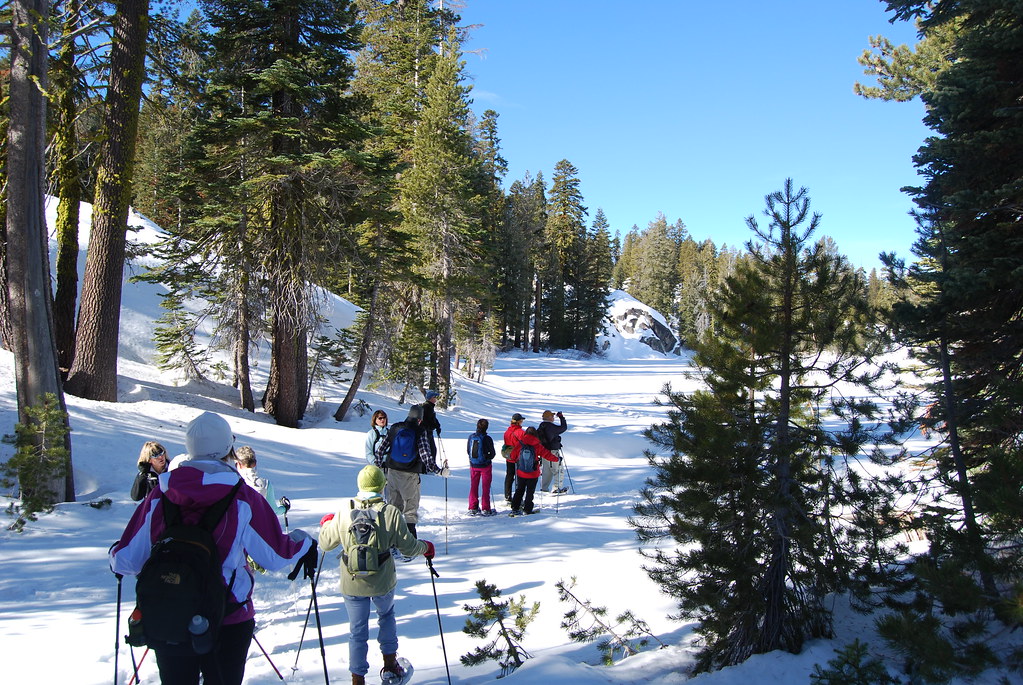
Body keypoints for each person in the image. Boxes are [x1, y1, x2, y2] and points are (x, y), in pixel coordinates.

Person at [110, 411, 317, 685]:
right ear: (226, 449)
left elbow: (126, 561)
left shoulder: (161, 493)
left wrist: (114, 553)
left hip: (168, 611)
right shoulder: (242, 496)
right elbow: (276, 555)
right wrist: (305, 542)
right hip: (228, 615)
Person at [318, 465, 435, 685]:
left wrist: (326, 524)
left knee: (357, 630)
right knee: (386, 616)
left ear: (360, 485)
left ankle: (357, 678)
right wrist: (425, 547)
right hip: (382, 580)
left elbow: (325, 543)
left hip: (352, 581)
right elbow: (408, 548)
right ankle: (390, 665)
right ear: (382, 485)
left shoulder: (345, 510)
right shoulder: (390, 512)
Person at [374, 405, 445, 538]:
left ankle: (391, 543)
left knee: (393, 508)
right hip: (410, 476)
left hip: (392, 473)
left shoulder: (395, 428)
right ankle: (409, 546)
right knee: (410, 511)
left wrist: (379, 467)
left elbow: (381, 450)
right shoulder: (420, 431)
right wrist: (438, 471)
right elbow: (426, 455)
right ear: (420, 419)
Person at [509, 426, 559, 516]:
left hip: (521, 472)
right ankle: (527, 509)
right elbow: (547, 455)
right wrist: (557, 459)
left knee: (519, 490)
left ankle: (515, 507)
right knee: (530, 491)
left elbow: (512, 456)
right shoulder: (537, 445)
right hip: (533, 473)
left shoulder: (520, 443)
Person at [234, 446, 288, 516]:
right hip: (258, 525)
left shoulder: (231, 481)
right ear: (254, 463)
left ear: (238, 464)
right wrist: (284, 508)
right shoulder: (265, 484)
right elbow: (273, 511)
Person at [466, 418, 496, 516]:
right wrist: (488, 458)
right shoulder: (487, 438)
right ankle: (486, 508)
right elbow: (492, 453)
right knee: (485, 487)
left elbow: (468, 450)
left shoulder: (471, 437)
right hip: (485, 465)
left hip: (474, 465)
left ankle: (473, 507)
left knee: (474, 486)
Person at [538, 410, 569, 493]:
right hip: (552, 451)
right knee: (558, 470)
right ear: (548, 417)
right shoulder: (550, 427)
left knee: (546, 471)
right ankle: (556, 488)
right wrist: (561, 417)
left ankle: (544, 488)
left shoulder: (541, 426)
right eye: (552, 416)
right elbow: (563, 428)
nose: (553, 418)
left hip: (543, 452)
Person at [501, 413, 525, 503]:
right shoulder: (520, 432)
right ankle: (519, 497)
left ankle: (507, 496)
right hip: (518, 457)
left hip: (509, 456)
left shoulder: (507, 431)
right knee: (520, 477)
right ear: (519, 422)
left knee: (509, 476)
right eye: (521, 421)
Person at [420, 389, 442, 459]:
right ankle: (429, 467)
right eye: (434, 397)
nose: (436, 399)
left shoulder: (429, 406)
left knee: (432, 450)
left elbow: (433, 419)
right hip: (425, 433)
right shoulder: (426, 407)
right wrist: (434, 426)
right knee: (430, 451)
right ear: (430, 398)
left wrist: (437, 426)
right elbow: (426, 421)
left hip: (428, 432)